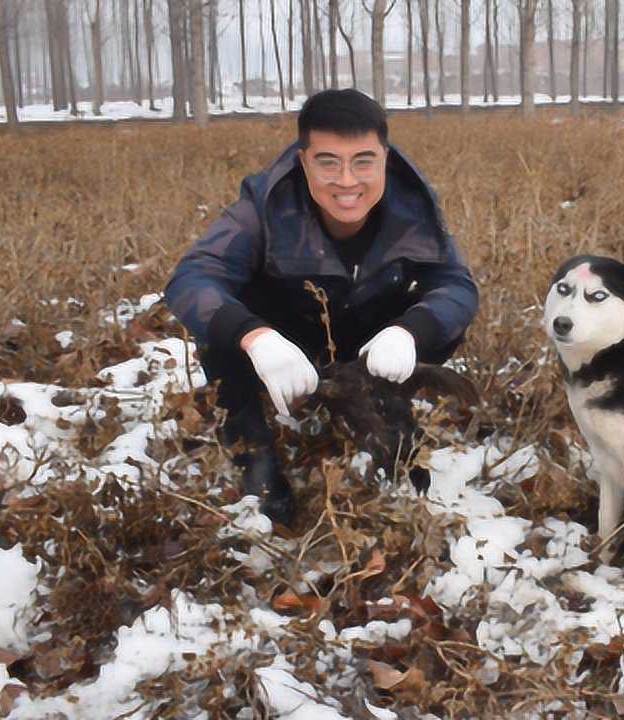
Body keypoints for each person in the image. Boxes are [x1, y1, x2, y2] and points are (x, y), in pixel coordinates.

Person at [164, 89, 479, 525]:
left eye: (363, 161)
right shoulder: (265, 203)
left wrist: (409, 333)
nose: (347, 181)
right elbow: (194, 277)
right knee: (220, 324)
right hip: (285, 336)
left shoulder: (414, 206)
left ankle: (387, 412)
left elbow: (456, 285)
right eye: (328, 162)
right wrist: (257, 339)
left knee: (439, 321)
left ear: (384, 158)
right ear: (303, 159)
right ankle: (253, 452)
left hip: (368, 337)